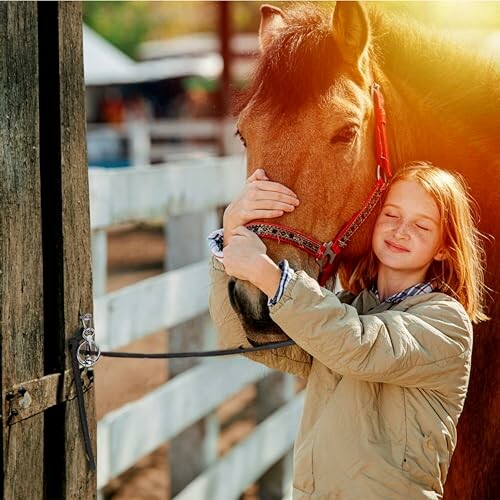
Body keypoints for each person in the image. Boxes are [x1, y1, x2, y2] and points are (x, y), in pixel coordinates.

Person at [207, 161, 489, 499]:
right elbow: (250, 337)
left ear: (444, 246)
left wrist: (268, 274)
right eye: (392, 216)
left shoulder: (445, 324)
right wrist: (233, 231)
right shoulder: (346, 308)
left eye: (422, 226)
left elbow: (357, 345)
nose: (401, 231)